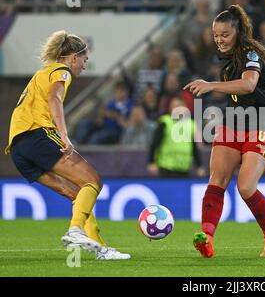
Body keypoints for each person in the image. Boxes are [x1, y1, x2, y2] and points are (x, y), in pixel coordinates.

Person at [4, 30, 130, 260]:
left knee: (76, 193)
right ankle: (75, 231)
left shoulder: (44, 72)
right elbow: (54, 98)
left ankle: (100, 247)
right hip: (37, 135)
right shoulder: (62, 72)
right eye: (84, 60)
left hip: (18, 148)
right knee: (93, 181)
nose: (84, 65)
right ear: (73, 58)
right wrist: (64, 135)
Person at [184, 4, 265, 258]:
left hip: (262, 123)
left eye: (225, 35)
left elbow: (249, 84)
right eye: (216, 35)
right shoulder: (228, 57)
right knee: (216, 179)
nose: (219, 40)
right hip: (233, 121)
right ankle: (206, 238)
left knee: (245, 187)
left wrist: (210, 85)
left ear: (238, 32)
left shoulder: (251, 52)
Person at [147, 97, 205, 178]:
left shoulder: (191, 124)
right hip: (166, 168)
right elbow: (155, 143)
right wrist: (151, 162)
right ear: (171, 108)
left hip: (184, 168)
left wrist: (199, 166)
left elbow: (194, 147)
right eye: (175, 106)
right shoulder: (165, 122)